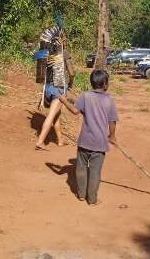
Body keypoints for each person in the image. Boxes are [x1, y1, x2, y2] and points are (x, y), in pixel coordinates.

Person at [59, 69, 119, 206]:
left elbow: (75, 111)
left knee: (80, 169)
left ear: (92, 83)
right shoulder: (109, 100)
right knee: (95, 172)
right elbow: (112, 121)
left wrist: (64, 101)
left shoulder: (85, 96)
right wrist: (112, 136)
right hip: (100, 143)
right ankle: (92, 199)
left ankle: (81, 194)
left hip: (84, 141)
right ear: (105, 84)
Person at [35, 36, 75, 151]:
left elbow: (42, 73)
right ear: (61, 41)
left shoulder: (46, 53)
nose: (66, 41)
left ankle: (60, 139)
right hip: (59, 88)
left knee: (56, 115)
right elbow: (72, 72)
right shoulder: (64, 53)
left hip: (47, 88)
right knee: (51, 115)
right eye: (65, 39)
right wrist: (71, 83)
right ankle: (40, 141)